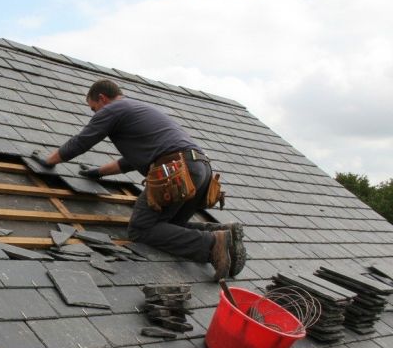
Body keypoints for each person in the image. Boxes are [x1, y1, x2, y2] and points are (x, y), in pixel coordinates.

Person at [33, 79, 245, 281]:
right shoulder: (135, 110)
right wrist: (98, 172)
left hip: (175, 169)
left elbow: (83, 141)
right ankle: (220, 233)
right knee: (168, 227)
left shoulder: (112, 109)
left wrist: (49, 160)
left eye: (94, 108)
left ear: (102, 98)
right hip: (199, 169)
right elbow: (128, 162)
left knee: (141, 229)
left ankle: (212, 244)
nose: (95, 113)